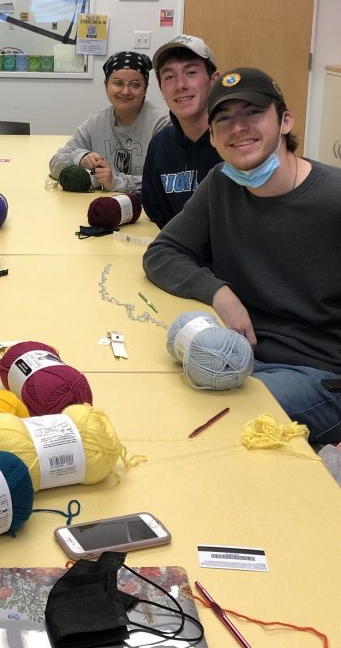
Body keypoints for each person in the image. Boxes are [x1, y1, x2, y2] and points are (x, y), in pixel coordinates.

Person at [143, 67, 341, 443]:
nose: (238, 128)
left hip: (317, 373)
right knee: (158, 401)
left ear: (284, 120)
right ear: (213, 138)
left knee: (209, 428)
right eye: (223, 119)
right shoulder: (221, 183)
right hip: (241, 355)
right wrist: (219, 292)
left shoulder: (333, 198)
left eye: (252, 113)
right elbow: (163, 252)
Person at [49, 51, 169, 193]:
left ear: (146, 88)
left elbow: (168, 181)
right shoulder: (95, 124)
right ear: (106, 85)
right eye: (117, 83)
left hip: (149, 211)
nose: (125, 91)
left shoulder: (162, 124)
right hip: (100, 207)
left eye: (135, 85)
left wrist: (115, 182)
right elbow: (55, 163)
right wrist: (80, 158)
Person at [141, 35, 222, 227]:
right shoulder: (160, 146)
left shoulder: (235, 144)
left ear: (214, 80)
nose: (180, 85)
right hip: (178, 253)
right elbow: (159, 218)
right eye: (169, 77)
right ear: (161, 89)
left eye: (191, 72)